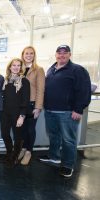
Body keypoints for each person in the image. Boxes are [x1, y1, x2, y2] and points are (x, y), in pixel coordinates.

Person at [39, 45, 91, 178]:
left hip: (67, 112)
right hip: (50, 111)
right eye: (59, 53)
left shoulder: (77, 70)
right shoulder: (51, 69)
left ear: (69, 55)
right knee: (54, 136)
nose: (61, 55)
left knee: (68, 140)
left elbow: (84, 91)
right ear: (55, 54)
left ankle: (68, 165)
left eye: (65, 53)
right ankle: (54, 156)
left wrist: (78, 109)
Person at [18, 46, 45, 165]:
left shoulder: (38, 69)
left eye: (31, 53)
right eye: (26, 53)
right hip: (21, 104)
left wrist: (38, 107)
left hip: (32, 103)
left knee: (30, 129)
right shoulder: (19, 68)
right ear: (22, 55)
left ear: (34, 55)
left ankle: (29, 151)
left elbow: (41, 89)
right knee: (22, 130)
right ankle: (23, 148)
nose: (28, 55)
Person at [1, 58, 30, 167]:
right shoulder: (6, 80)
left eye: (18, 65)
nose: (16, 67)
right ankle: (9, 152)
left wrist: (22, 116)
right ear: (10, 67)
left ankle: (14, 157)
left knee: (18, 137)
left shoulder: (24, 81)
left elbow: (25, 100)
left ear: (21, 67)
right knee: (4, 134)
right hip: (5, 113)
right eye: (14, 65)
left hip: (18, 114)